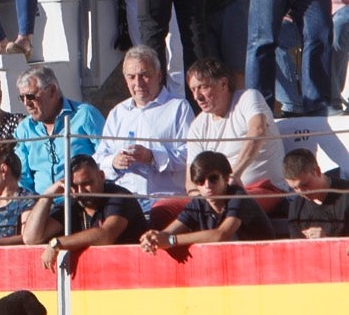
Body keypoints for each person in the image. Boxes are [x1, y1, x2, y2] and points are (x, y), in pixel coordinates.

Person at [93, 46, 194, 213]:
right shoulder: (118, 113)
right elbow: (99, 158)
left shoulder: (178, 107)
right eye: (131, 77)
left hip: (164, 200)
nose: (138, 83)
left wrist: (153, 156)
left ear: (159, 75)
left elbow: (191, 156)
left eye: (144, 75)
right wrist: (114, 162)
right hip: (125, 200)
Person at [185, 57, 286, 207]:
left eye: (203, 87)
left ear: (224, 84)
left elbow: (257, 130)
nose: (197, 96)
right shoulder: (197, 126)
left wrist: (233, 176)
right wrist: (200, 202)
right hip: (216, 197)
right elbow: (190, 181)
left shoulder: (248, 98)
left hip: (265, 189)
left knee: (233, 203)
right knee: (162, 209)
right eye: (193, 89)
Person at [22, 154, 149, 271]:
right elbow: (31, 238)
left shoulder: (119, 197)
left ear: (101, 176)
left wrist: (58, 243)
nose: (80, 191)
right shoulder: (73, 203)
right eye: (74, 185)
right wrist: (48, 195)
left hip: (136, 272)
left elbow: (106, 235)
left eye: (87, 183)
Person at [139, 150, 273, 253]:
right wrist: (153, 238)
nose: (207, 185)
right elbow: (168, 232)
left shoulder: (238, 197)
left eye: (213, 179)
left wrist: (171, 241)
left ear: (226, 178)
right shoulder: (198, 203)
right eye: (200, 181)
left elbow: (221, 234)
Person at [13, 65, 105, 193]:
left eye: (31, 96)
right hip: (42, 203)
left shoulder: (85, 115)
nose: (26, 104)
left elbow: (107, 155)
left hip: (81, 198)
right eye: (22, 98)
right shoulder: (25, 128)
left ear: (52, 91)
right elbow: (23, 176)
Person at [283, 147, 349, 238]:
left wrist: (327, 241)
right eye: (295, 188)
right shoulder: (296, 207)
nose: (302, 192)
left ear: (317, 171)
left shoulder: (346, 195)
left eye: (305, 185)